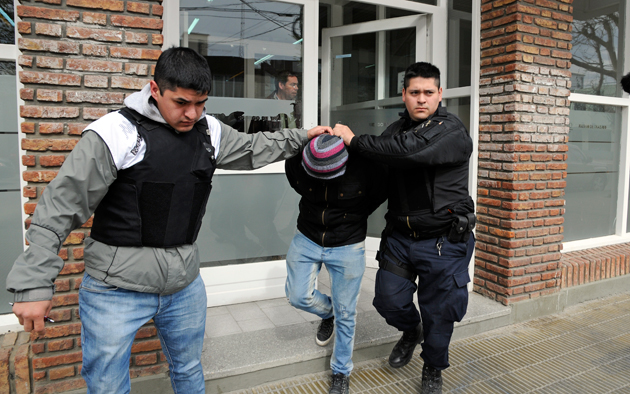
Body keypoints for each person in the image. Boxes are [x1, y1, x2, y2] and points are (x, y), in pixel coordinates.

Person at [6, 47, 331, 394]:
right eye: (181, 102)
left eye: (201, 103)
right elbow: (59, 207)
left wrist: (303, 137)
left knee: (189, 371)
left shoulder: (210, 132)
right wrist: (34, 283)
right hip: (114, 290)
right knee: (106, 384)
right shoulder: (115, 133)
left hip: (184, 285)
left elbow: (253, 148)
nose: (192, 113)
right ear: (155, 89)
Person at [332, 62, 475, 394]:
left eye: (428, 92)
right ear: (404, 94)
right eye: (414, 93)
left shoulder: (450, 131)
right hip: (399, 236)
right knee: (388, 301)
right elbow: (378, 170)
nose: (421, 99)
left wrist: (353, 139)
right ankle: (411, 330)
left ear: (440, 94)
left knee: (439, 314)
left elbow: (411, 153)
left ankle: (433, 367)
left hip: (443, 242)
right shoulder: (395, 130)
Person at [284, 134, 387, 394]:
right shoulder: (298, 163)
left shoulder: (365, 168)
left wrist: (352, 216)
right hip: (307, 236)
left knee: (347, 313)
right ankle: (327, 313)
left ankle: (341, 370)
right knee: (297, 296)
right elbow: (293, 175)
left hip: (347, 243)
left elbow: (379, 193)